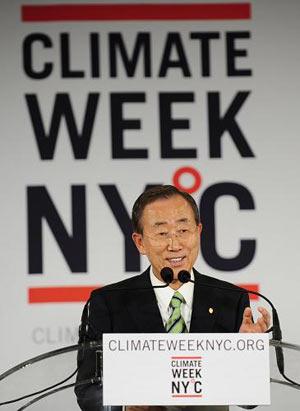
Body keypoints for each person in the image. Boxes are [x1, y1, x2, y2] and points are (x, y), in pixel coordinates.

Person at [75, 185, 270, 411]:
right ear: (140, 242)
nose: (175, 245)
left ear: (198, 232)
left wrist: (248, 358)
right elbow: (87, 390)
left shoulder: (230, 298)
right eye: (161, 233)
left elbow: (248, 401)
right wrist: (125, 406)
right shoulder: (108, 302)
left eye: (183, 230)